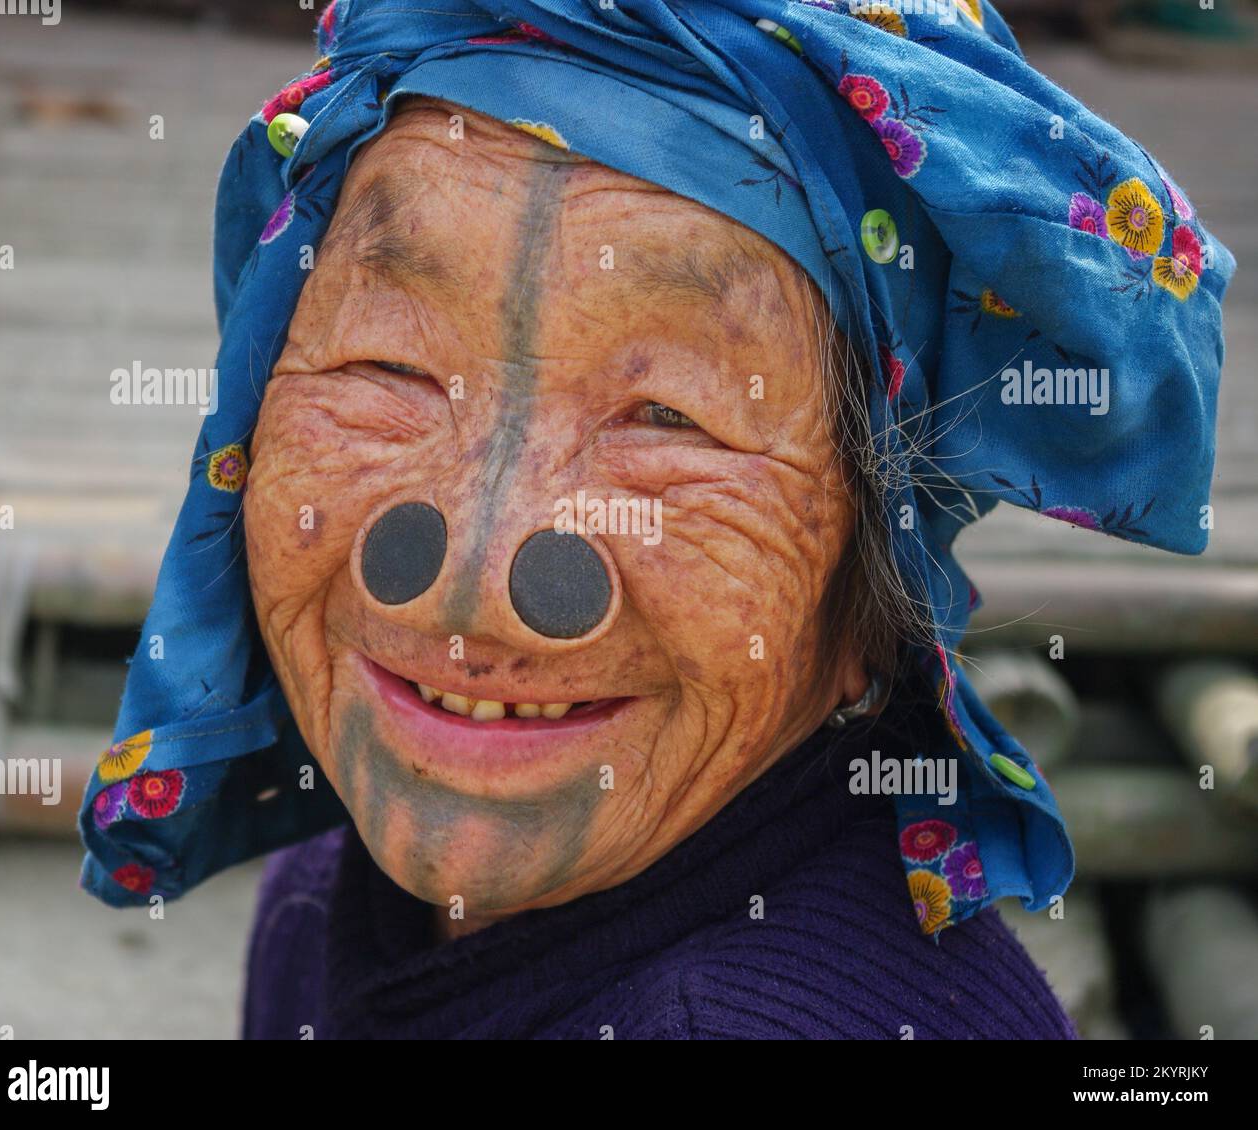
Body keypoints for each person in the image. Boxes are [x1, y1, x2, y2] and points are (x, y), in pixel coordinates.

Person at [79, 0, 1234, 1040]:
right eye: (389, 364)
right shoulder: (336, 891)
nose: (471, 577)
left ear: (874, 561)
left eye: (668, 418)